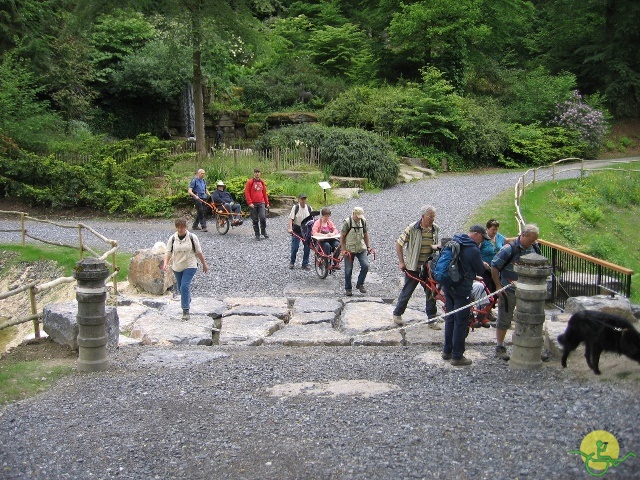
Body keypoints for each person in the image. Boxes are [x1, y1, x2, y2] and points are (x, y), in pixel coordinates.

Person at [491, 224, 541, 361]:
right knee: (505, 317)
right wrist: (498, 286)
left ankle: (528, 345)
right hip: (509, 290)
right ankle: (500, 346)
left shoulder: (534, 248)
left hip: (527, 291)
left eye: (535, 240)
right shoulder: (508, 249)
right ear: (523, 235)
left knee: (528, 317)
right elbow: (494, 266)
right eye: (531, 239)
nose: (533, 242)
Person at [441, 225, 487, 366]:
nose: (482, 242)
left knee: (450, 317)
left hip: (448, 285)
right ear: (477, 234)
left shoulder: (454, 241)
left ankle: (446, 351)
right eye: (482, 238)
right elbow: (480, 269)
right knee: (461, 321)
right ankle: (457, 356)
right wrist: (479, 269)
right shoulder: (473, 249)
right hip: (462, 289)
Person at [392, 205, 441, 330]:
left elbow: (434, 245)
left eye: (433, 217)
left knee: (431, 292)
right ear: (423, 216)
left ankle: (432, 319)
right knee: (407, 291)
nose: (432, 219)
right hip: (413, 267)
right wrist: (401, 262)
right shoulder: (412, 228)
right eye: (430, 217)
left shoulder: (435, 229)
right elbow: (399, 244)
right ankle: (397, 314)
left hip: (428, 268)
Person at [162, 218, 209, 321]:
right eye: (178, 227)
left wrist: (204, 264)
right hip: (177, 266)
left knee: (184, 286)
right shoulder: (172, 238)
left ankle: (185, 311)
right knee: (180, 288)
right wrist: (165, 263)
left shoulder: (192, 237)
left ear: (186, 227)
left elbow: (198, 252)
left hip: (190, 264)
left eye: (182, 227)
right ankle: (187, 299)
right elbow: (168, 252)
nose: (180, 229)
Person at [340, 206, 372, 297]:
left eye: (360, 216)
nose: (358, 218)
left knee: (365, 265)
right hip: (349, 250)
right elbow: (342, 236)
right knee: (348, 269)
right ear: (353, 214)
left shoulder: (363, 221)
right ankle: (348, 288)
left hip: (361, 248)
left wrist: (368, 246)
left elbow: (365, 234)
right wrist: (343, 250)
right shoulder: (347, 222)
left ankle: (360, 283)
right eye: (357, 216)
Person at [480, 219, 507, 292]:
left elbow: (506, 241)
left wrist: (519, 238)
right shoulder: (482, 239)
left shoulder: (498, 236)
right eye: (493, 229)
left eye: (496, 229)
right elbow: (475, 253)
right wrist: (481, 262)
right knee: (490, 289)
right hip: (486, 270)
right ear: (487, 229)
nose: (495, 232)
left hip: (498, 268)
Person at [287, 194, 313, 269]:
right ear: (299, 200)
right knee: (295, 247)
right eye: (302, 199)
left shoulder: (309, 208)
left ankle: (305, 264)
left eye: (304, 199)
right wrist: (290, 228)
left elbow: (312, 220)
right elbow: (291, 219)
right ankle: (292, 262)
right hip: (297, 229)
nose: (303, 201)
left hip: (306, 230)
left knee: (307, 247)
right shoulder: (295, 208)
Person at [244, 168, 270, 240]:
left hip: (261, 202)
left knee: (263, 218)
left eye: (258, 172)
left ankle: (263, 232)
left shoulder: (262, 182)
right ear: (254, 173)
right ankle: (257, 234)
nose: (257, 173)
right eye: (256, 172)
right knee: (255, 220)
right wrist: (250, 203)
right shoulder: (250, 182)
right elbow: (247, 193)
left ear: (260, 173)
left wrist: (267, 203)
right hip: (253, 204)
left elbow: (264, 193)